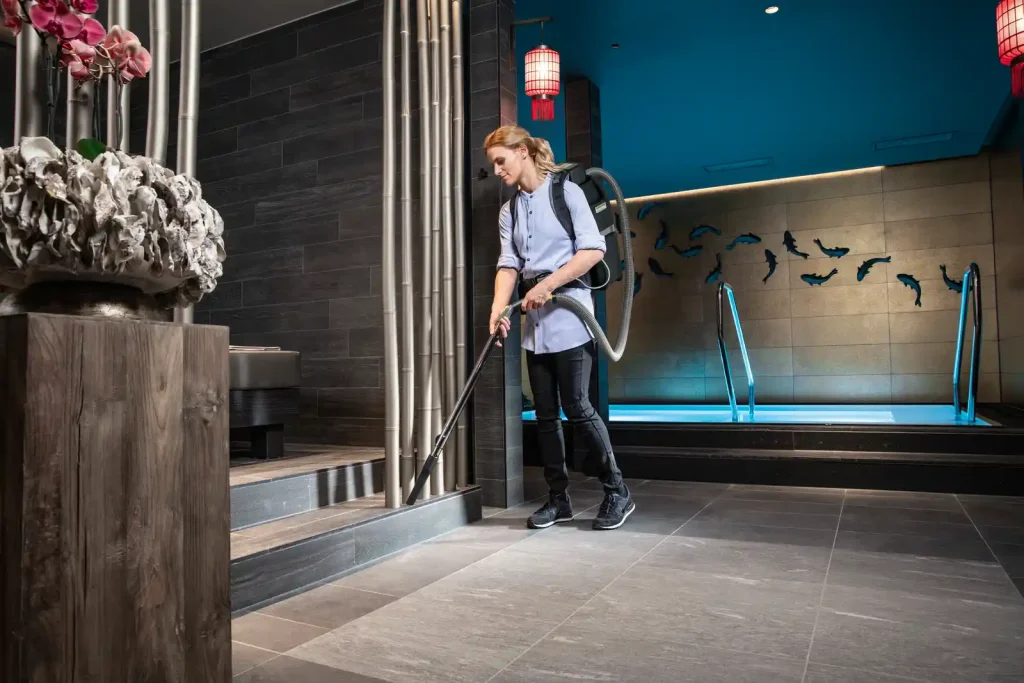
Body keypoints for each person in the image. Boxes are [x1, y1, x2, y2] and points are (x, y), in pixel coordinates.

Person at [484, 124, 635, 531]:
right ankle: (558, 499)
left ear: (523, 152)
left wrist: (550, 284)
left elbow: (593, 249)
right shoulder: (509, 210)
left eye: (501, 161)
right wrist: (499, 310)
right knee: (546, 416)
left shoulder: (565, 192)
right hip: (534, 325)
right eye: (494, 164)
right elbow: (508, 264)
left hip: (571, 315)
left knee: (577, 407)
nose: (497, 170)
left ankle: (617, 491)